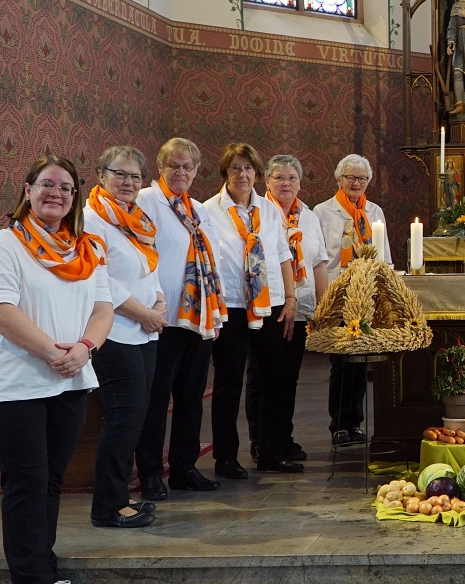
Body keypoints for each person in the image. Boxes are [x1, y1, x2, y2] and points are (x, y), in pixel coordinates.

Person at [0, 156, 113, 584]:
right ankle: (31, 576)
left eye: (66, 188)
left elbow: (103, 309)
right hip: (14, 383)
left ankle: (43, 566)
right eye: (47, 184)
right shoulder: (4, 244)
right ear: (28, 190)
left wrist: (85, 348)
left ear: (75, 198)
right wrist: (57, 352)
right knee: (27, 481)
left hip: (69, 380)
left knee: (51, 480)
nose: (56, 193)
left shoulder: (87, 249)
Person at [135, 137, 226, 500]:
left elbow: (212, 262)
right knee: (157, 401)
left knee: (190, 398)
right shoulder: (144, 201)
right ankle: (151, 474)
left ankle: (185, 468)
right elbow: (140, 255)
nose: (181, 172)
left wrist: (216, 314)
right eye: (174, 165)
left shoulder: (199, 210)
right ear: (160, 168)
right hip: (162, 319)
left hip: (198, 319)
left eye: (188, 166)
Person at [83, 146, 166, 528]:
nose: (128, 183)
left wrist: (160, 300)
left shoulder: (135, 219)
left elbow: (148, 266)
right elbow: (102, 280)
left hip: (145, 331)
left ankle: (119, 495)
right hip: (114, 332)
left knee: (138, 415)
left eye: (136, 177)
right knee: (124, 417)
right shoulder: (90, 219)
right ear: (101, 175)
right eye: (120, 174)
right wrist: (145, 313)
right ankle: (107, 506)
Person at [202, 143, 295, 480]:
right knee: (229, 383)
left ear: (257, 174)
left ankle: (270, 452)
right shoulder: (208, 211)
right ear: (225, 173)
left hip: (268, 305)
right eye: (236, 169)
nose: (243, 175)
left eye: (248, 169)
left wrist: (291, 299)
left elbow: (283, 255)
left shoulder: (269, 211)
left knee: (273, 379)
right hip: (231, 306)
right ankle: (226, 458)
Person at [243, 155, 328, 472]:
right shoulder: (259, 214)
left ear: (300, 182)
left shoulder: (308, 215)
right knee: (263, 378)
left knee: (288, 378)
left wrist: (324, 306)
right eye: (279, 177)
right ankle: (261, 441)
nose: (286, 183)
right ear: (267, 182)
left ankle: (283, 437)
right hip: (269, 305)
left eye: (292, 178)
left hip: (302, 306)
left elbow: (319, 261)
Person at [314, 154, 393, 445]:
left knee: (360, 362)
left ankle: (356, 422)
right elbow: (319, 257)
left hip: (366, 293)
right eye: (351, 178)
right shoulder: (322, 212)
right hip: (338, 292)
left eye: (362, 179)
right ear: (339, 180)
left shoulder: (374, 211)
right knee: (341, 360)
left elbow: (384, 253)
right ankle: (339, 424)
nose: (356, 183)